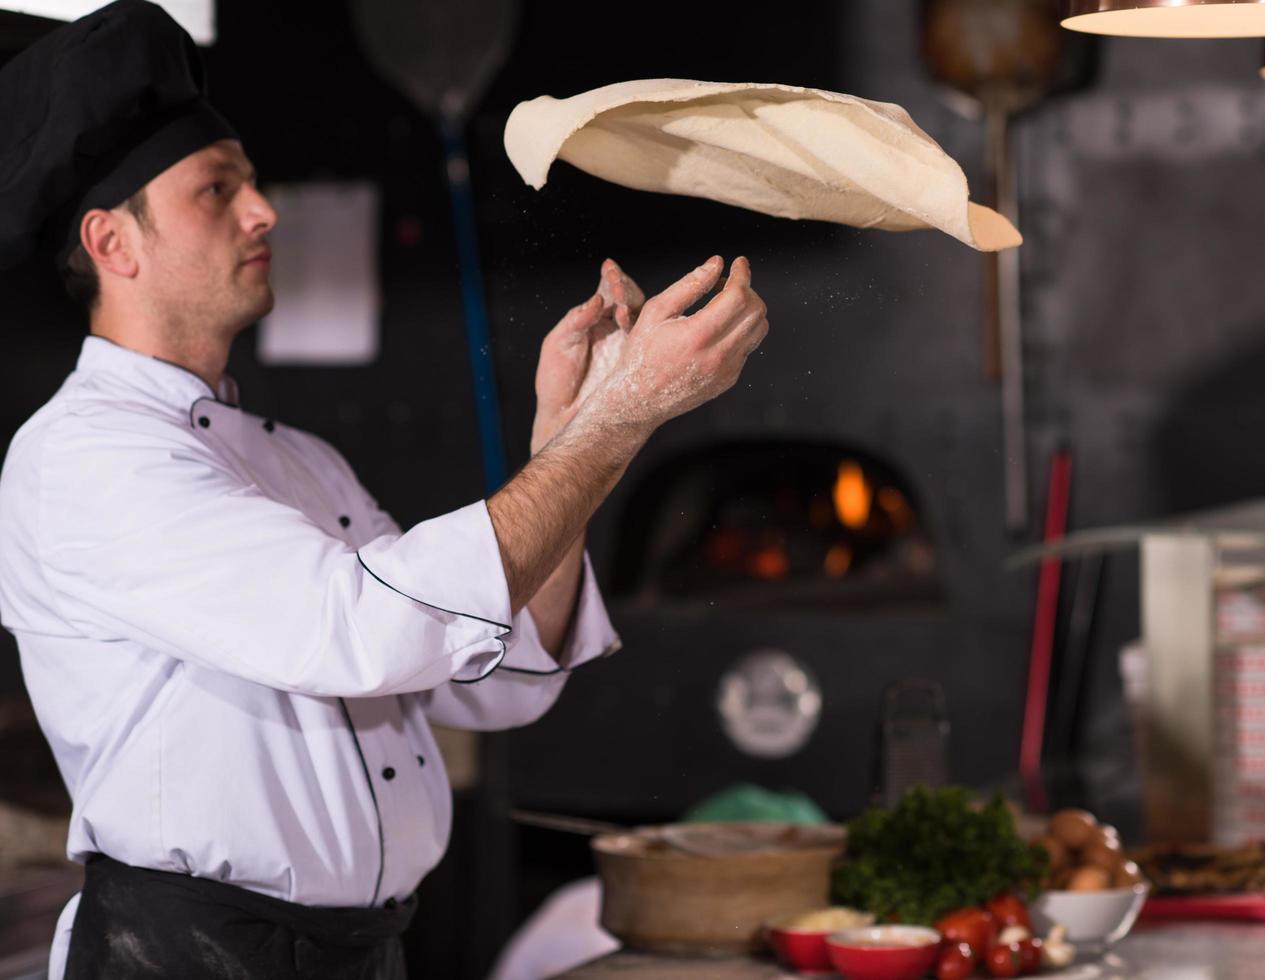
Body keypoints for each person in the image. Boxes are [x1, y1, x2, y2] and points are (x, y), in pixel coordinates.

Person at [0, 2, 769, 977]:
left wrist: (563, 435)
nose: (262, 209)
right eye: (217, 188)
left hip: (365, 951)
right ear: (114, 242)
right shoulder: (85, 456)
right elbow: (364, 629)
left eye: (250, 180)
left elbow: (490, 682)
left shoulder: (300, 462)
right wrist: (614, 426)